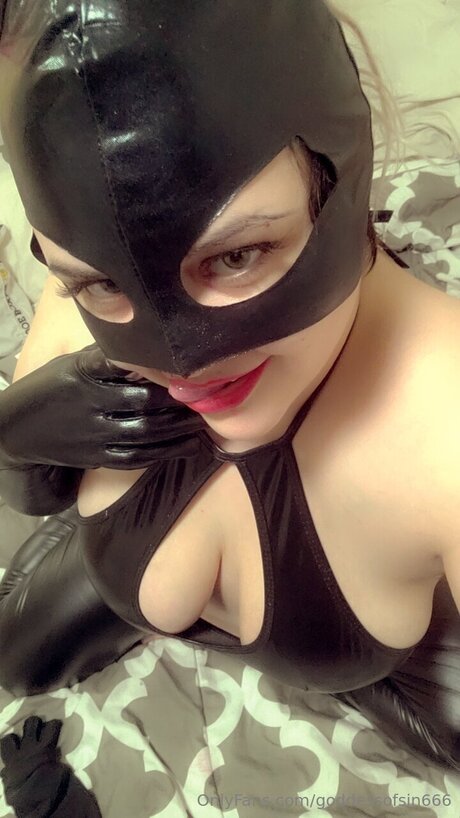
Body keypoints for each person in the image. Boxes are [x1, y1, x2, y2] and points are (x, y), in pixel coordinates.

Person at [0, 0, 459, 774]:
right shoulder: (68, 306)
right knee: (15, 658)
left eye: (239, 255)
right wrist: (20, 427)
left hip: (365, 647)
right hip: (132, 571)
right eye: (97, 282)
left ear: (344, 168)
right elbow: (32, 494)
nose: (180, 366)